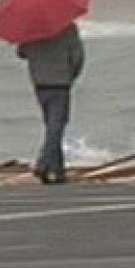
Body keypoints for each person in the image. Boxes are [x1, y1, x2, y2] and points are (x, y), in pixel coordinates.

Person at [17, 23, 85, 184]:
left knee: (52, 127)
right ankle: (43, 163)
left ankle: (57, 170)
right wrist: (71, 75)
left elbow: (22, 53)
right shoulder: (68, 28)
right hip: (60, 82)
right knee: (57, 126)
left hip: (40, 82)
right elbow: (78, 57)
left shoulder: (31, 27)